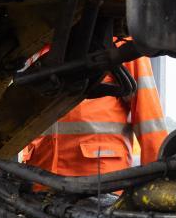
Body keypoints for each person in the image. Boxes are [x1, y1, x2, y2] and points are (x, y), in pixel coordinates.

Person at [24, 54, 167, 175]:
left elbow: (149, 122)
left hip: (100, 177)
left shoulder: (120, 47)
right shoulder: (34, 51)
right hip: (41, 175)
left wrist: (158, 184)